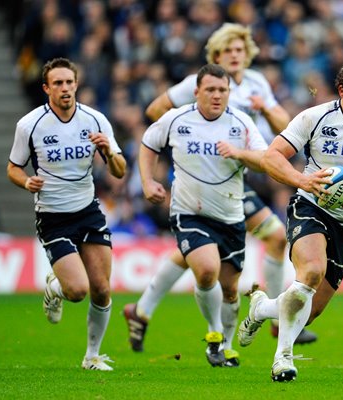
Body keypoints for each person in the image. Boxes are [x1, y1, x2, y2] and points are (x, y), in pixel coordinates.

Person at [123, 22, 317, 353]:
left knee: (197, 254)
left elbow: (286, 127)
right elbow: (155, 111)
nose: (235, 55)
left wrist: (265, 107)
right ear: (216, 55)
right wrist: (189, 145)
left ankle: (141, 310)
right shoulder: (197, 84)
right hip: (208, 180)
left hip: (238, 175)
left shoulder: (255, 83)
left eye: (240, 49)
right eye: (228, 50)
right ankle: (272, 320)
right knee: (239, 247)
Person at [237, 56, 343, 382]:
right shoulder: (314, 118)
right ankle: (283, 359)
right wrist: (303, 181)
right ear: (342, 91)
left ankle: (261, 309)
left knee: (309, 311)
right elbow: (272, 156)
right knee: (311, 272)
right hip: (311, 207)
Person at [137, 63, 268, 367]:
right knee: (206, 270)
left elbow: (265, 160)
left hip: (231, 215)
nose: (217, 95)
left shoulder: (241, 123)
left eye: (222, 90)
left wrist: (239, 154)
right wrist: (147, 181)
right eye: (210, 89)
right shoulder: (176, 119)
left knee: (231, 289)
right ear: (197, 92)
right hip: (189, 212)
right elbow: (148, 144)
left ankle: (227, 344)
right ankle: (214, 335)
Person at [6, 57, 127, 371]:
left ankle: (92, 356)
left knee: (102, 288)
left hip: (88, 211)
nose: (65, 89)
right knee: (77, 291)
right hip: (53, 216)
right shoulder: (30, 124)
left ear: (77, 84)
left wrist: (110, 152)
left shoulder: (95, 120)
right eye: (57, 83)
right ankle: (56, 287)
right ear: (46, 88)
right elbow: (13, 168)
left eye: (69, 82)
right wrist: (26, 181)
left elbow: (119, 171)